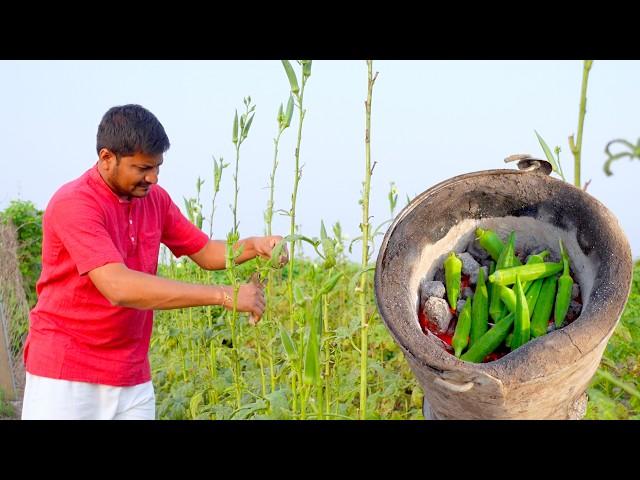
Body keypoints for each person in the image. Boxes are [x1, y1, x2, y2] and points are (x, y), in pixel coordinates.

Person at [21, 104, 287, 420]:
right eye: (143, 168)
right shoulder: (75, 203)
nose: (153, 177)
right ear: (107, 158)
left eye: (157, 167)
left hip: (131, 374)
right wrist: (224, 294)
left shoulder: (154, 200)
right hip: (66, 374)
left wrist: (255, 245)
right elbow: (117, 286)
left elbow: (204, 251)